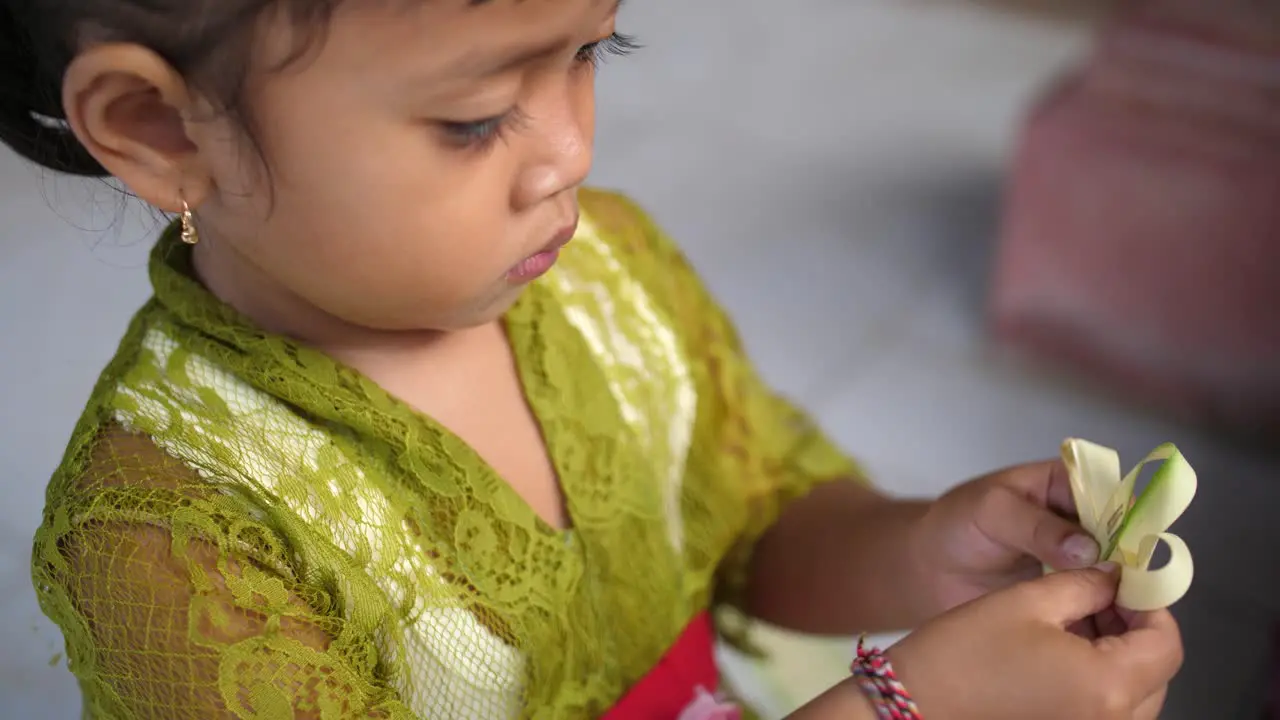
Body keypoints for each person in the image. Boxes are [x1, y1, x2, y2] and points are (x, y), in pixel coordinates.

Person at [0, 0, 1182, 718]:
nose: (566, 150)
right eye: (471, 118)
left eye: (590, 53)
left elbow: (751, 526)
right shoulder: (172, 545)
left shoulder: (606, 271)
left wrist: (930, 552)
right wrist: (908, 705)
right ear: (160, 130)